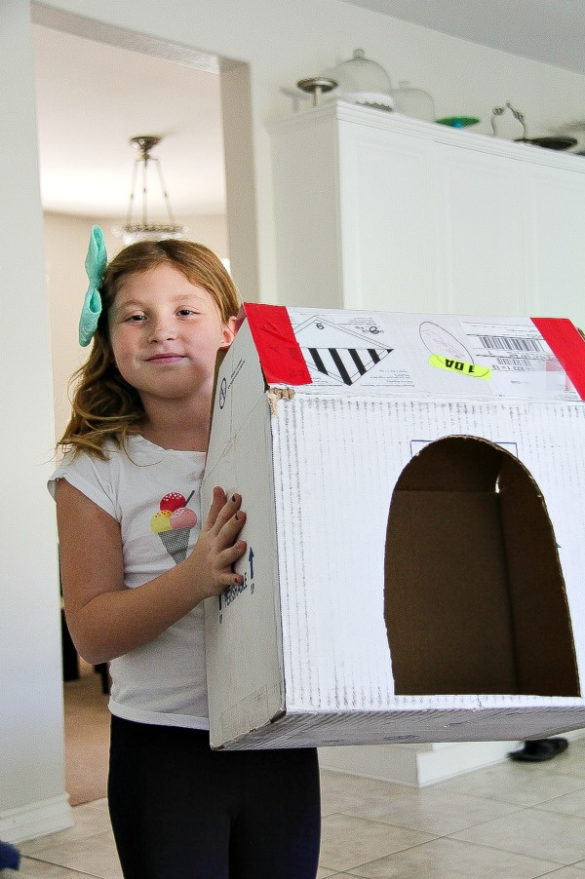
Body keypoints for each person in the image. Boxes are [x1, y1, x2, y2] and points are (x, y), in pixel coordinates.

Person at [49, 229, 321, 879]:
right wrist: (193, 577)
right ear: (109, 341)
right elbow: (91, 631)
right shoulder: (94, 468)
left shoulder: (286, 438)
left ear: (231, 328)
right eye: (134, 315)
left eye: (184, 311)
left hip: (278, 735)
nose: (159, 330)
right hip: (164, 749)